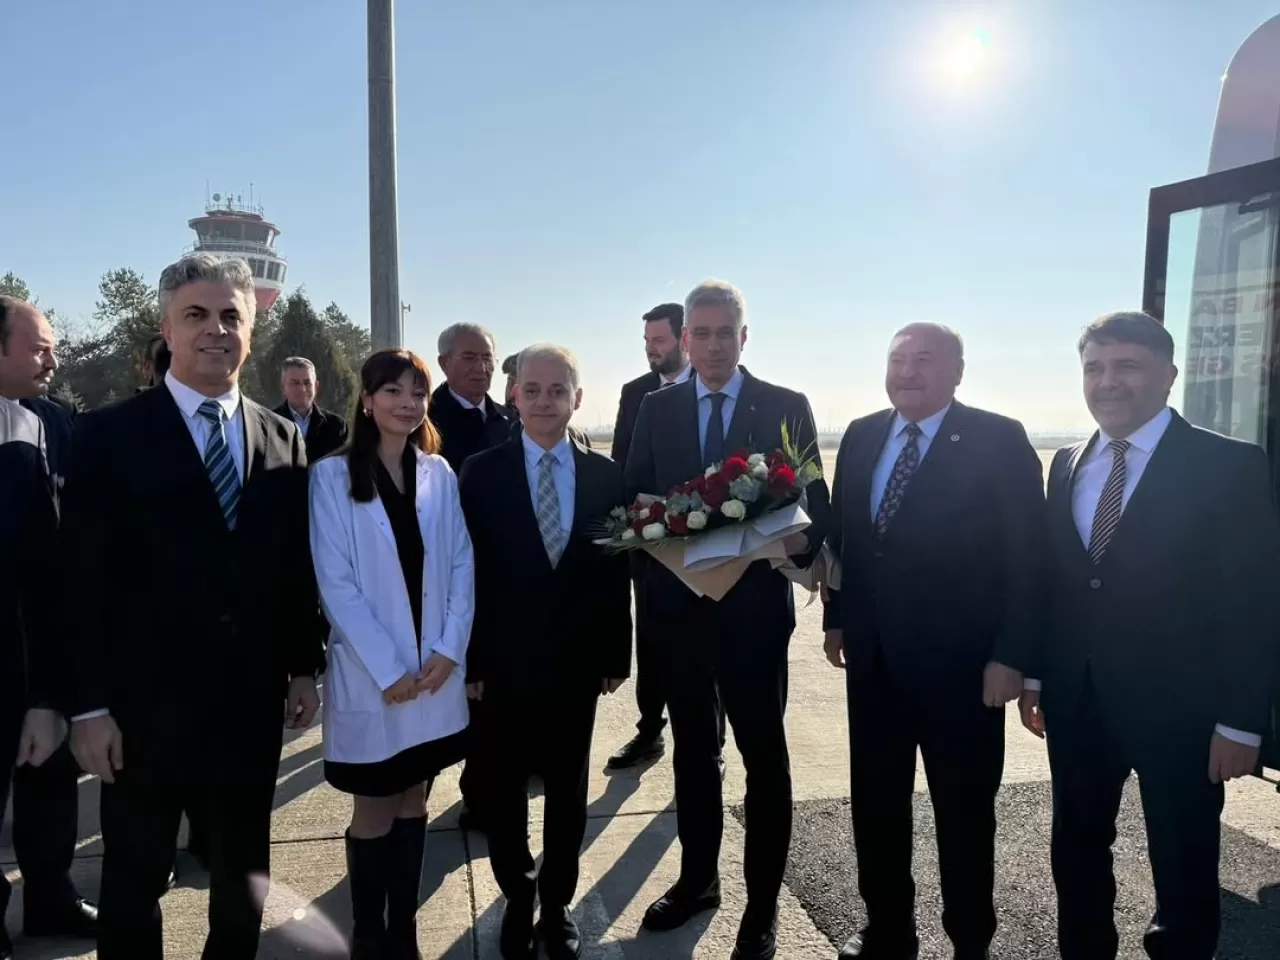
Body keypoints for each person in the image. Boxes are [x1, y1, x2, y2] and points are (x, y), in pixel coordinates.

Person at [59, 254, 323, 960]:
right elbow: (79, 582)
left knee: (242, 877)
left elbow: (292, 568)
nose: (216, 330)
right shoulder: (108, 436)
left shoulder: (282, 435)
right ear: (166, 329)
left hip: (249, 704)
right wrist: (85, 709)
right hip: (143, 712)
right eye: (197, 315)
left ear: (253, 327)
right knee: (135, 880)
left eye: (231, 315)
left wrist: (303, 666)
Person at [1018, 311, 1280, 960]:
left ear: (1168, 375)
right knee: (1076, 852)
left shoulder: (1231, 465)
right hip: (1078, 704)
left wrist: (1244, 723)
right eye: (1095, 368)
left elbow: (1254, 602)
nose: (1108, 382)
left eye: (1127, 366)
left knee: (1184, 870)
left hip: (1184, 713)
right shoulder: (1067, 463)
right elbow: (1063, 583)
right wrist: (1037, 677)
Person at [822, 322, 1046, 960]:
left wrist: (1012, 655)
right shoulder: (864, 435)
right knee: (877, 810)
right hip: (875, 665)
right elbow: (851, 539)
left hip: (966, 672)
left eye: (925, 360)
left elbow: (1028, 558)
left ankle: (969, 941)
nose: (907, 372)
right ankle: (888, 933)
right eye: (897, 359)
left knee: (964, 817)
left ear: (957, 371)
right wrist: (836, 618)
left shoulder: (997, 439)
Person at [624, 280, 830, 960]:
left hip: (753, 619)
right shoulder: (656, 409)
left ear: (745, 337)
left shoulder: (784, 406)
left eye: (725, 333)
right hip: (678, 617)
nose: (713, 345)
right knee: (693, 756)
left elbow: (817, 501)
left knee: (763, 760)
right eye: (701, 333)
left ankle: (763, 906)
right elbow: (636, 503)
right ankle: (698, 880)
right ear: (685, 340)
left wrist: (795, 539)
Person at [460, 344, 631, 960]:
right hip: (501, 665)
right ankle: (517, 892)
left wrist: (617, 655)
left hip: (577, 665)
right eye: (531, 390)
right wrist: (471, 663)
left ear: (577, 398)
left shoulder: (608, 476)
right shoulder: (479, 473)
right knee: (501, 791)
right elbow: (466, 575)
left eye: (557, 391)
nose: (543, 402)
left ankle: (556, 904)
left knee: (567, 787)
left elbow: (617, 574)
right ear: (514, 396)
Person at [310, 348, 475, 959]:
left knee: (416, 799)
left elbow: (460, 562)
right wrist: (388, 667)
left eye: (418, 393)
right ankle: (368, 930)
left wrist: (449, 650)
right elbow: (337, 583)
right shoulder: (330, 477)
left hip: (433, 673)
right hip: (374, 675)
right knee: (374, 805)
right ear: (367, 399)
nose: (407, 404)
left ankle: (402, 925)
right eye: (393, 392)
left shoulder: (439, 471)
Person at [0, 297, 92, 960]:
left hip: (46, 645)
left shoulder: (53, 422)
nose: (52, 360)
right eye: (38, 348)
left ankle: (51, 899)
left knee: (50, 783)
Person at [607, 302, 712, 772]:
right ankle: (649, 731)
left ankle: (712, 740)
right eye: (647, 342)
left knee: (711, 650)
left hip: (711, 549)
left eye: (659, 341)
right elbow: (623, 466)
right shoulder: (636, 394)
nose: (651, 350)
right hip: (652, 548)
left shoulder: (711, 387)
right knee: (651, 640)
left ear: (684, 338)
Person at [428, 322, 513, 833]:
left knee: (495, 690)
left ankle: (487, 789)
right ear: (443, 364)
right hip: (446, 576)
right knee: (464, 688)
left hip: (504, 576)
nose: (480, 367)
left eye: (487, 357)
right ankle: (472, 791)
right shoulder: (425, 418)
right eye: (468, 358)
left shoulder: (508, 419)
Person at [274, 356, 349, 464]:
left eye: (307, 383)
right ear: (283, 388)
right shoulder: (269, 424)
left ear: (316, 387)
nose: (302, 389)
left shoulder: (336, 426)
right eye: (295, 383)